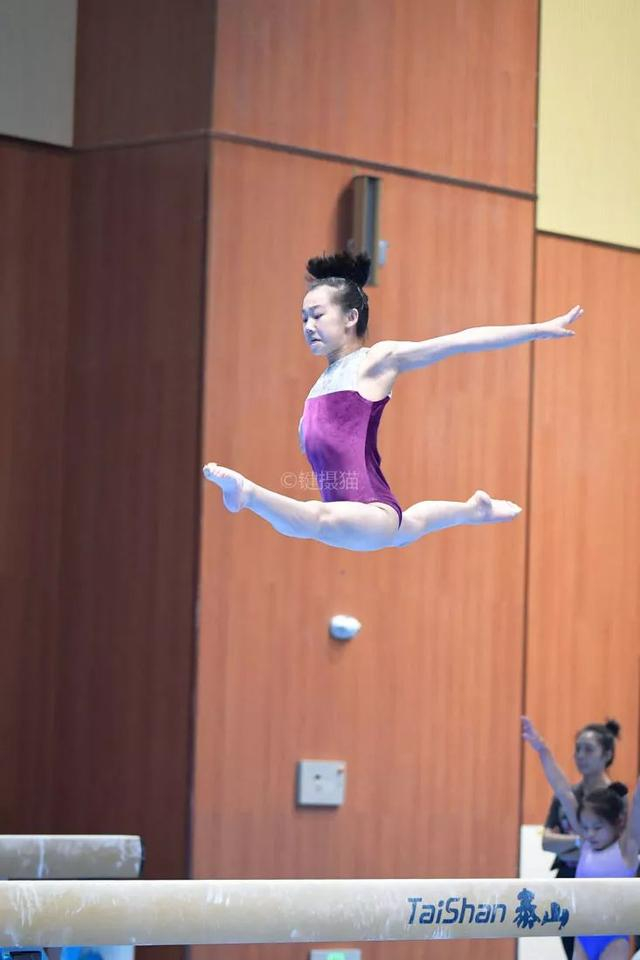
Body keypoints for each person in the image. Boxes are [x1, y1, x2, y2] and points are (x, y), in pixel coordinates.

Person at [204, 251, 582, 552]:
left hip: (370, 513)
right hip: (357, 519)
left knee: (314, 518)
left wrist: (538, 330)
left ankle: (248, 493)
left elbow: (459, 341)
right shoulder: (317, 390)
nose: (308, 326)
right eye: (303, 318)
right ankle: (473, 509)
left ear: (351, 317)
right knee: (412, 524)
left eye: (317, 315)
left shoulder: (376, 361)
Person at [522, 716, 640, 960]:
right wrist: (542, 749)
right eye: (585, 827)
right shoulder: (586, 842)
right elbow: (562, 789)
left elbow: (637, 802)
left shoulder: (627, 849)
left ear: (618, 823)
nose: (589, 833)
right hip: (581, 936)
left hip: (613, 939)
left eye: (597, 828)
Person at [543, 720, 621, 959]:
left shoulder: (617, 799)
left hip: (611, 897)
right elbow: (561, 791)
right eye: (577, 749)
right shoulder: (574, 806)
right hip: (572, 888)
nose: (580, 755)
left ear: (607, 754)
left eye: (588, 749)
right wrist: (542, 750)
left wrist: (569, 843)